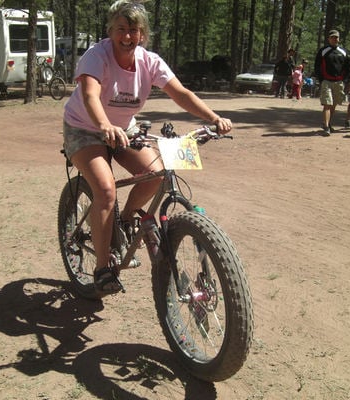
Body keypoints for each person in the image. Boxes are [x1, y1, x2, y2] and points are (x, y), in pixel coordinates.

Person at [62, 0, 233, 296]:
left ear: (143, 34)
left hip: (123, 128)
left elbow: (180, 93)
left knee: (156, 173)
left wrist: (213, 118)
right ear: (111, 31)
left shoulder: (149, 61)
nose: (127, 36)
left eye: (134, 30)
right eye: (121, 29)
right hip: (84, 127)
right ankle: (103, 269)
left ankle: (127, 218)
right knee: (104, 189)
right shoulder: (96, 55)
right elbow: (90, 95)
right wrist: (104, 125)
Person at [314, 29, 349, 136]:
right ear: (329, 38)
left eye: (336, 37)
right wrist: (321, 79)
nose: (335, 39)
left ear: (339, 39)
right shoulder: (323, 51)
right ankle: (326, 127)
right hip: (326, 81)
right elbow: (317, 66)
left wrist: (345, 80)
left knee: (334, 104)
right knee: (327, 104)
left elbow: (347, 67)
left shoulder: (343, 52)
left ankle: (328, 124)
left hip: (339, 82)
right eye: (332, 37)